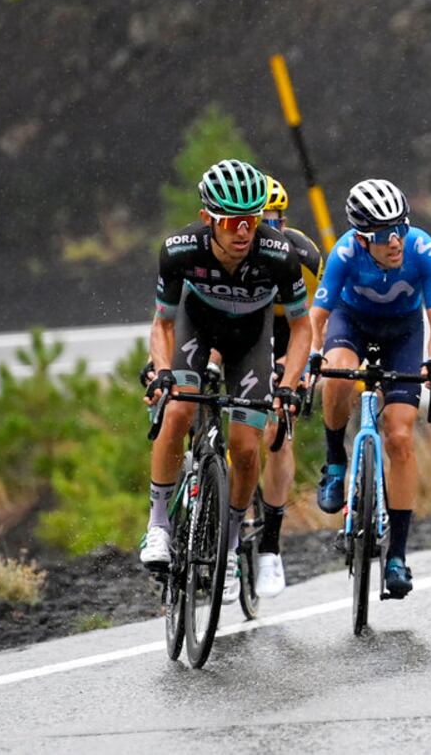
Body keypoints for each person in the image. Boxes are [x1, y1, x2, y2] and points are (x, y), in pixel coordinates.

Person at [142, 160, 311, 608]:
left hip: (250, 341)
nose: (244, 231)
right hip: (196, 330)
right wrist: (161, 371)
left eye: (252, 220)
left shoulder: (278, 254)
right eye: (234, 222)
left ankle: (231, 546)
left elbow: (301, 328)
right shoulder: (180, 250)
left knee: (248, 446)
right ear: (207, 220)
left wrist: (289, 384)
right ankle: (158, 525)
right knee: (177, 410)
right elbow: (161, 324)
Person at [309, 179, 431, 599]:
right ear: (361, 237)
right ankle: (335, 461)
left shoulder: (424, 251)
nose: (396, 242)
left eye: (401, 229)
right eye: (385, 235)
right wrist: (316, 355)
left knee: (401, 437)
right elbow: (318, 317)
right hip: (350, 324)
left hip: (403, 334)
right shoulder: (345, 253)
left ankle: (397, 556)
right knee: (337, 375)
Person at [249, 176, 323, 598]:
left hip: (285, 331)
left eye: (273, 220)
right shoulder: (229, 251)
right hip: (240, 326)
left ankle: (271, 546)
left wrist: (303, 365)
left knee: (277, 431)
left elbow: (316, 319)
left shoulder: (303, 255)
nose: (264, 230)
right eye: (258, 220)